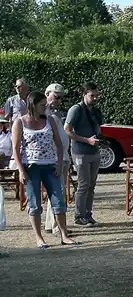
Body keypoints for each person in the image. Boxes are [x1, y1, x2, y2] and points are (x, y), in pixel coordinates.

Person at [10, 91, 79, 249]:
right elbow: (15, 148)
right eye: (42, 105)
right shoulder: (20, 122)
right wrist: (21, 170)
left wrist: (59, 163)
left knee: (59, 200)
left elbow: (59, 144)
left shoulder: (50, 120)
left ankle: (64, 235)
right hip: (31, 167)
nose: (45, 107)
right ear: (33, 105)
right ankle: (39, 237)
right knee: (34, 203)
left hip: (50, 166)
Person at [65, 81, 104, 227]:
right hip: (80, 152)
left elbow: (99, 128)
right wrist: (87, 140)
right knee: (83, 184)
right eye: (92, 95)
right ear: (84, 94)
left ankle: (88, 214)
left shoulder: (95, 111)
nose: (95, 98)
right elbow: (67, 130)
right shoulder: (76, 110)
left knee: (91, 185)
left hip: (94, 151)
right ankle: (79, 216)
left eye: (96, 95)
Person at [44, 84, 71, 232]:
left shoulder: (56, 113)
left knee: (57, 191)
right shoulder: (42, 113)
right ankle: (56, 227)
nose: (58, 100)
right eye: (56, 96)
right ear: (47, 94)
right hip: (54, 158)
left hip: (63, 157)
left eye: (60, 98)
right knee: (57, 191)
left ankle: (50, 224)